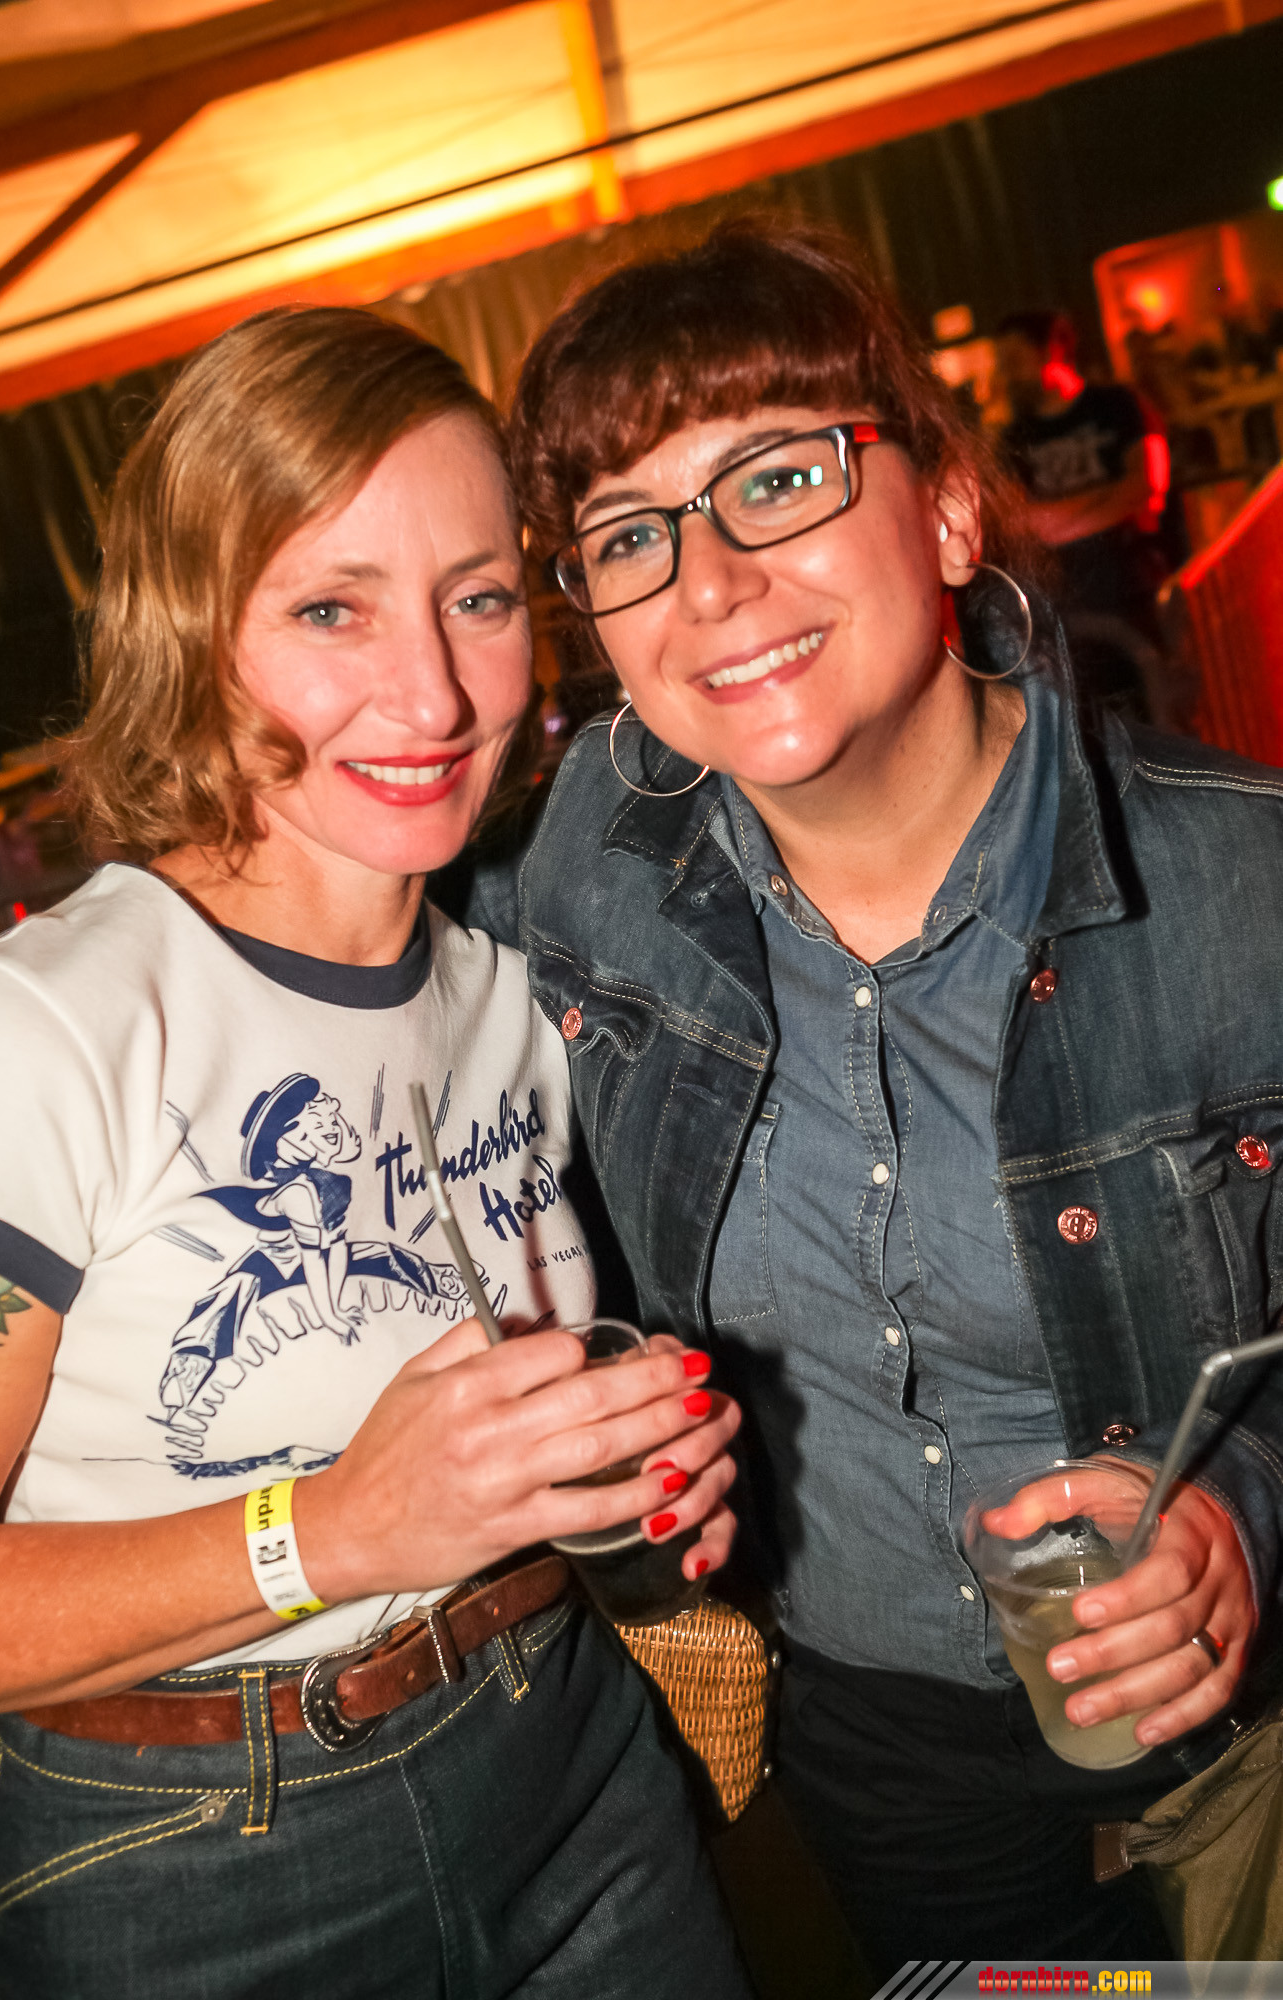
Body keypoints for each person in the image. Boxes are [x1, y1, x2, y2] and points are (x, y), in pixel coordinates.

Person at [463, 218, 1283, 1978]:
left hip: (1249, 1731)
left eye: (777, 478)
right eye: (629, 534)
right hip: (882, 1754)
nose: (707, 583)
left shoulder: (1242, 890)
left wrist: (1243, 1510)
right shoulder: (581, 868)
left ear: (951, 511)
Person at [0, 307, 750, 2000]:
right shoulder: (33, 1032)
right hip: (194, 1852)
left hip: (569, 1752)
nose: (436, 692)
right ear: (192, 634)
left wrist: (629, 1457)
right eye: (333, 608)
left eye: (478, 598)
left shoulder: (512, 996)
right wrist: (324, 1530)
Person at [996, 309, 1172, 720]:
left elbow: (1146, 486)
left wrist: (1055, 522)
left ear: (1052, 352)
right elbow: (1017, 521)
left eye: (1015, 361)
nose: (1007, 376)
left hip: (1133, 587)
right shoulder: (1013, 438)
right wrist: (1107, 500)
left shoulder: (1118, 405)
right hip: (1065, 602)